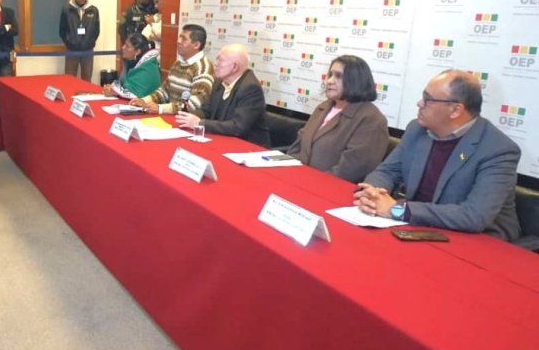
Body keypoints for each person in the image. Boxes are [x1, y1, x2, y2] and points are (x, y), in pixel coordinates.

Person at [354, 70, 521, 241]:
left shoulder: (498, 150)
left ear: (455, 110)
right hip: (420, 226)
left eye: (428, 99)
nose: (420, 103)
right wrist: (372, 194)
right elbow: (387, 171)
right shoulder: (417, 129)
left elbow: (474, 216)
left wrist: (397, 210)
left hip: (479, 239)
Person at [286, 55, 389, 183]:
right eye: (330, 75)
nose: (330, 81)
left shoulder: (371, 120)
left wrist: (309, 182)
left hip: (327, 187)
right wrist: (289, 172)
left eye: (338, 76)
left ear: (356, 81)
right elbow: (298, 146)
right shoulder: (324, 107)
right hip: (298, 180)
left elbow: (351, 170)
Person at [175, 44, 271, 146]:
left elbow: (238, 127)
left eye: (220, 60)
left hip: (249, 147)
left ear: (235, 67)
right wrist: (189, 116)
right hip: (223, 139)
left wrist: (199, 123)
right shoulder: (219, 82)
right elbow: (206, 111)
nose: (215, 63)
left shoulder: (250, 88)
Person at [130, 24, 214, 115]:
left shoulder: (204, 68)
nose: (178, 41)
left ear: (196, 45)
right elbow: (164, 91)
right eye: (179, 37)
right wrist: (144, 101)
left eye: (184, 39)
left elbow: (194, 103)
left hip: (187, 120)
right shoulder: (178, 64)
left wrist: (160, 108)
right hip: (172, 117)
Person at [59, 0, 100, 81]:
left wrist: (89, 42)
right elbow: (62, 30)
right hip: (71, 50)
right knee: (69, 80)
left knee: (86, 80)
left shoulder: (93, 10)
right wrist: (69, 42)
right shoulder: (66, 9)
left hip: (87, 51)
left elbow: (96, 30)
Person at [102, 33, 160, 99]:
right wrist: (112, 88)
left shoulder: (148, 68)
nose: (123, 47)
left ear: (137, 52)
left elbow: (136, 93)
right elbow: (123, 84)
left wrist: (115, 91)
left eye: (127, 46)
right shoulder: (130, 62)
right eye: (124, 44)